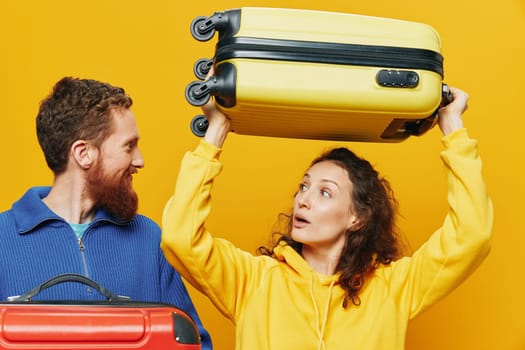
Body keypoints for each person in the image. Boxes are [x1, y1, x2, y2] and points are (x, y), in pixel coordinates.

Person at [160, 86, 493, 350]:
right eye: (304, 186)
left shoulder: (393, 288)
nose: (303, 199)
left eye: (324, 192)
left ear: (357, 218)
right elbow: (180, 237)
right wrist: (215, 134)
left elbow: (472, 234)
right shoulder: (254, 281)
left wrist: (453, 129)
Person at [0, 77, 212, 349]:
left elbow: (193, 342)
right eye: (128, 146)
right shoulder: (4, 239)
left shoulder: (149, 239)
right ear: (84, 153)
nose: (140, 160)